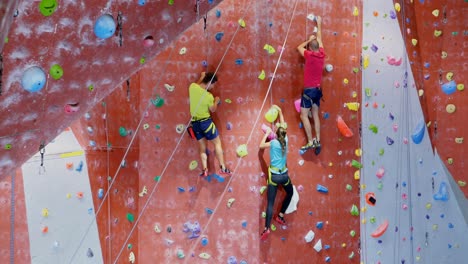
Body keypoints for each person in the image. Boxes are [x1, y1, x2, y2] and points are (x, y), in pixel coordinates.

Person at [259, 106, 293, 241]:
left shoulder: (272, 143)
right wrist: (280, 111)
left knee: (270, 203)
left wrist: (267, 133)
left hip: (273, 176)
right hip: (284, 176)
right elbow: (283, 127)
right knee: (289, 193)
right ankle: (280, 215)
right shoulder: (286, 140)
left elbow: (261, 146)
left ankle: (267, 228)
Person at [189, 72, 231, 177]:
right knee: (217, 143)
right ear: (210, 83)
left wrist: (202, 77)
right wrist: (216, 101)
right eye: (213, 84)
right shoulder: (208, 96)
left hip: (195, 124)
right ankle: (223, 168)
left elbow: (198, 84)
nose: (213, 87)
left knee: (202, 147)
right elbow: (212, 109)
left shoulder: (192, 87)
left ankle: (205, 170)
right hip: (206, 122)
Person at [296, 16, 325, 155]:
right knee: (315, 114)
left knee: (303, 115)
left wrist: (308, 40)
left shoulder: (309, 55)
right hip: (317, 90)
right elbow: (319, 39)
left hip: (309, 91)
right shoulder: (322, 54)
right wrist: (319, 23)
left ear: (310, 48)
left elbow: (298, 47)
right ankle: (318, 140)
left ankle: (310, 141)